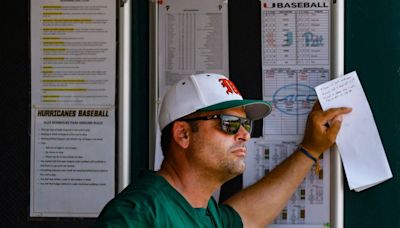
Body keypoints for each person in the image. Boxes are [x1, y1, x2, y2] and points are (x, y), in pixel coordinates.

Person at [95, 73, 351, 227]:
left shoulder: (205, 211)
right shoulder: (136, 213)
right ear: (183, 134)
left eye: (245, 123)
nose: (245, 134)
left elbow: (250, 215)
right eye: (229, 124)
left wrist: (309, 150)